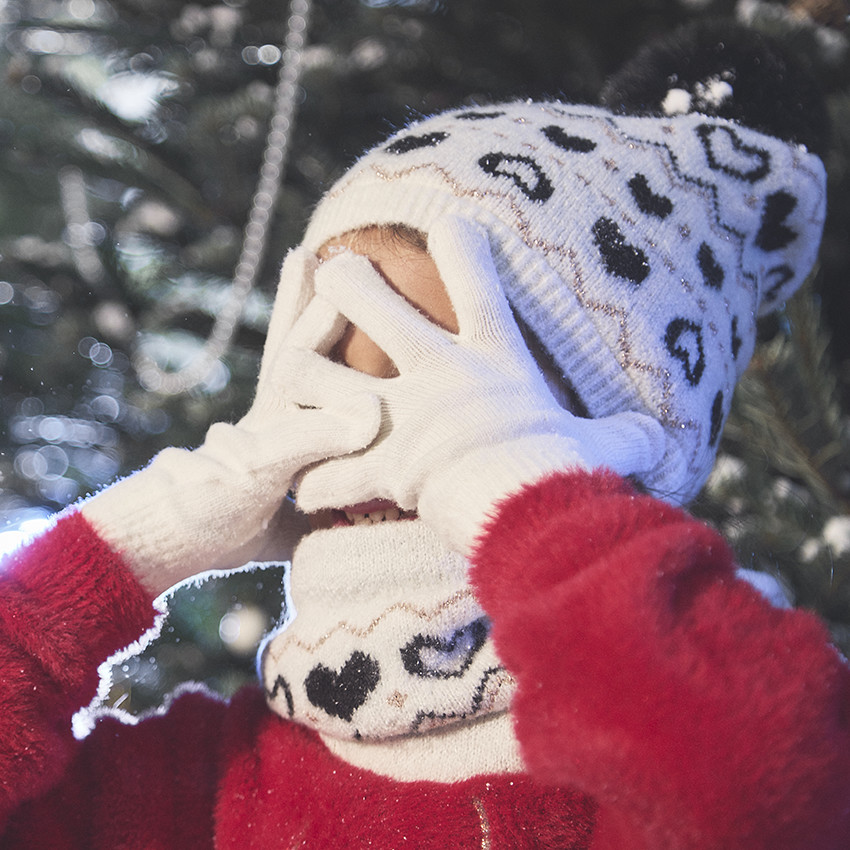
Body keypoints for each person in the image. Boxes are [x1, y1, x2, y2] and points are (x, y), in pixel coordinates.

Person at [1, 22, 848, 849]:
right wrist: (121, 551)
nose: (362, 429)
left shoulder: (668, 757)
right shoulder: (196, 789)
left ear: (613, 437)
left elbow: (771, 795)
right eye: (328, 352)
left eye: (439, 375)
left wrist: (517, 495)